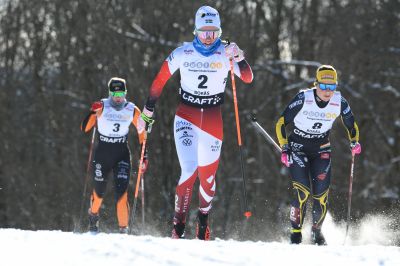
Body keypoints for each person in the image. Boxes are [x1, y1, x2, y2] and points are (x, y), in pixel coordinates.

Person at [137, 6, 253, 240]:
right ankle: (178, 227)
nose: (208, 38)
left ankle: (203, 222)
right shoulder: (183, 53)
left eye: (213, 32)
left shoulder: (225, 52)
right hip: (186, 117)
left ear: (219, 32)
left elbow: (248, 78)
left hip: (212, 120)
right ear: (195, 31)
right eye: (204, 32)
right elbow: (160, 80)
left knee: (208, 180)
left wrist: (239, 58)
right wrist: (149, 107)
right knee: (189, 170)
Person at [275, 65, 361, 245]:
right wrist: (284, 147)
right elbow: (281, 122)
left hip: (321, 149)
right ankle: (296, 233)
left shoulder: (339, 102)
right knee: (302, 191)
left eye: (332, 87)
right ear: (316, 84)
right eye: (324, 86)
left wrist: (354, 142)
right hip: (297, 147)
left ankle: (316, 232)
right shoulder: (303, 98)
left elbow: (351, 125)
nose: (328, 91)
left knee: (321, 194)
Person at [81, 77, 148, 234]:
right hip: (102, 154)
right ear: (110, 93)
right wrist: (92, 112)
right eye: (114, 94)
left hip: (121, 155)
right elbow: (85, 128)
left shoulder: (131, 109)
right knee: (99, 194)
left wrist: (144, 155)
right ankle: (93, 215)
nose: (118, 97)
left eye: (121, 93)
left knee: (122, 194)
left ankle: (123, 229)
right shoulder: (102, 106)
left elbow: (141, 132)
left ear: (125, 93)